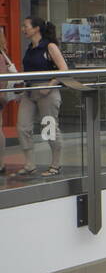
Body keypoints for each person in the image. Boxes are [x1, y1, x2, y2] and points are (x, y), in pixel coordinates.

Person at [15, 17, 68, 177]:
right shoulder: (30, 48)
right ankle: (30, 163)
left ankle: (56, 164)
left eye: (26, 26)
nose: (23, 29)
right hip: (30, 91)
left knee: (49, 127)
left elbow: (63, 69)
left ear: (36, 28)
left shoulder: (49, 47)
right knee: (23, 126)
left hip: (47, 92)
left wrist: (50, 85)